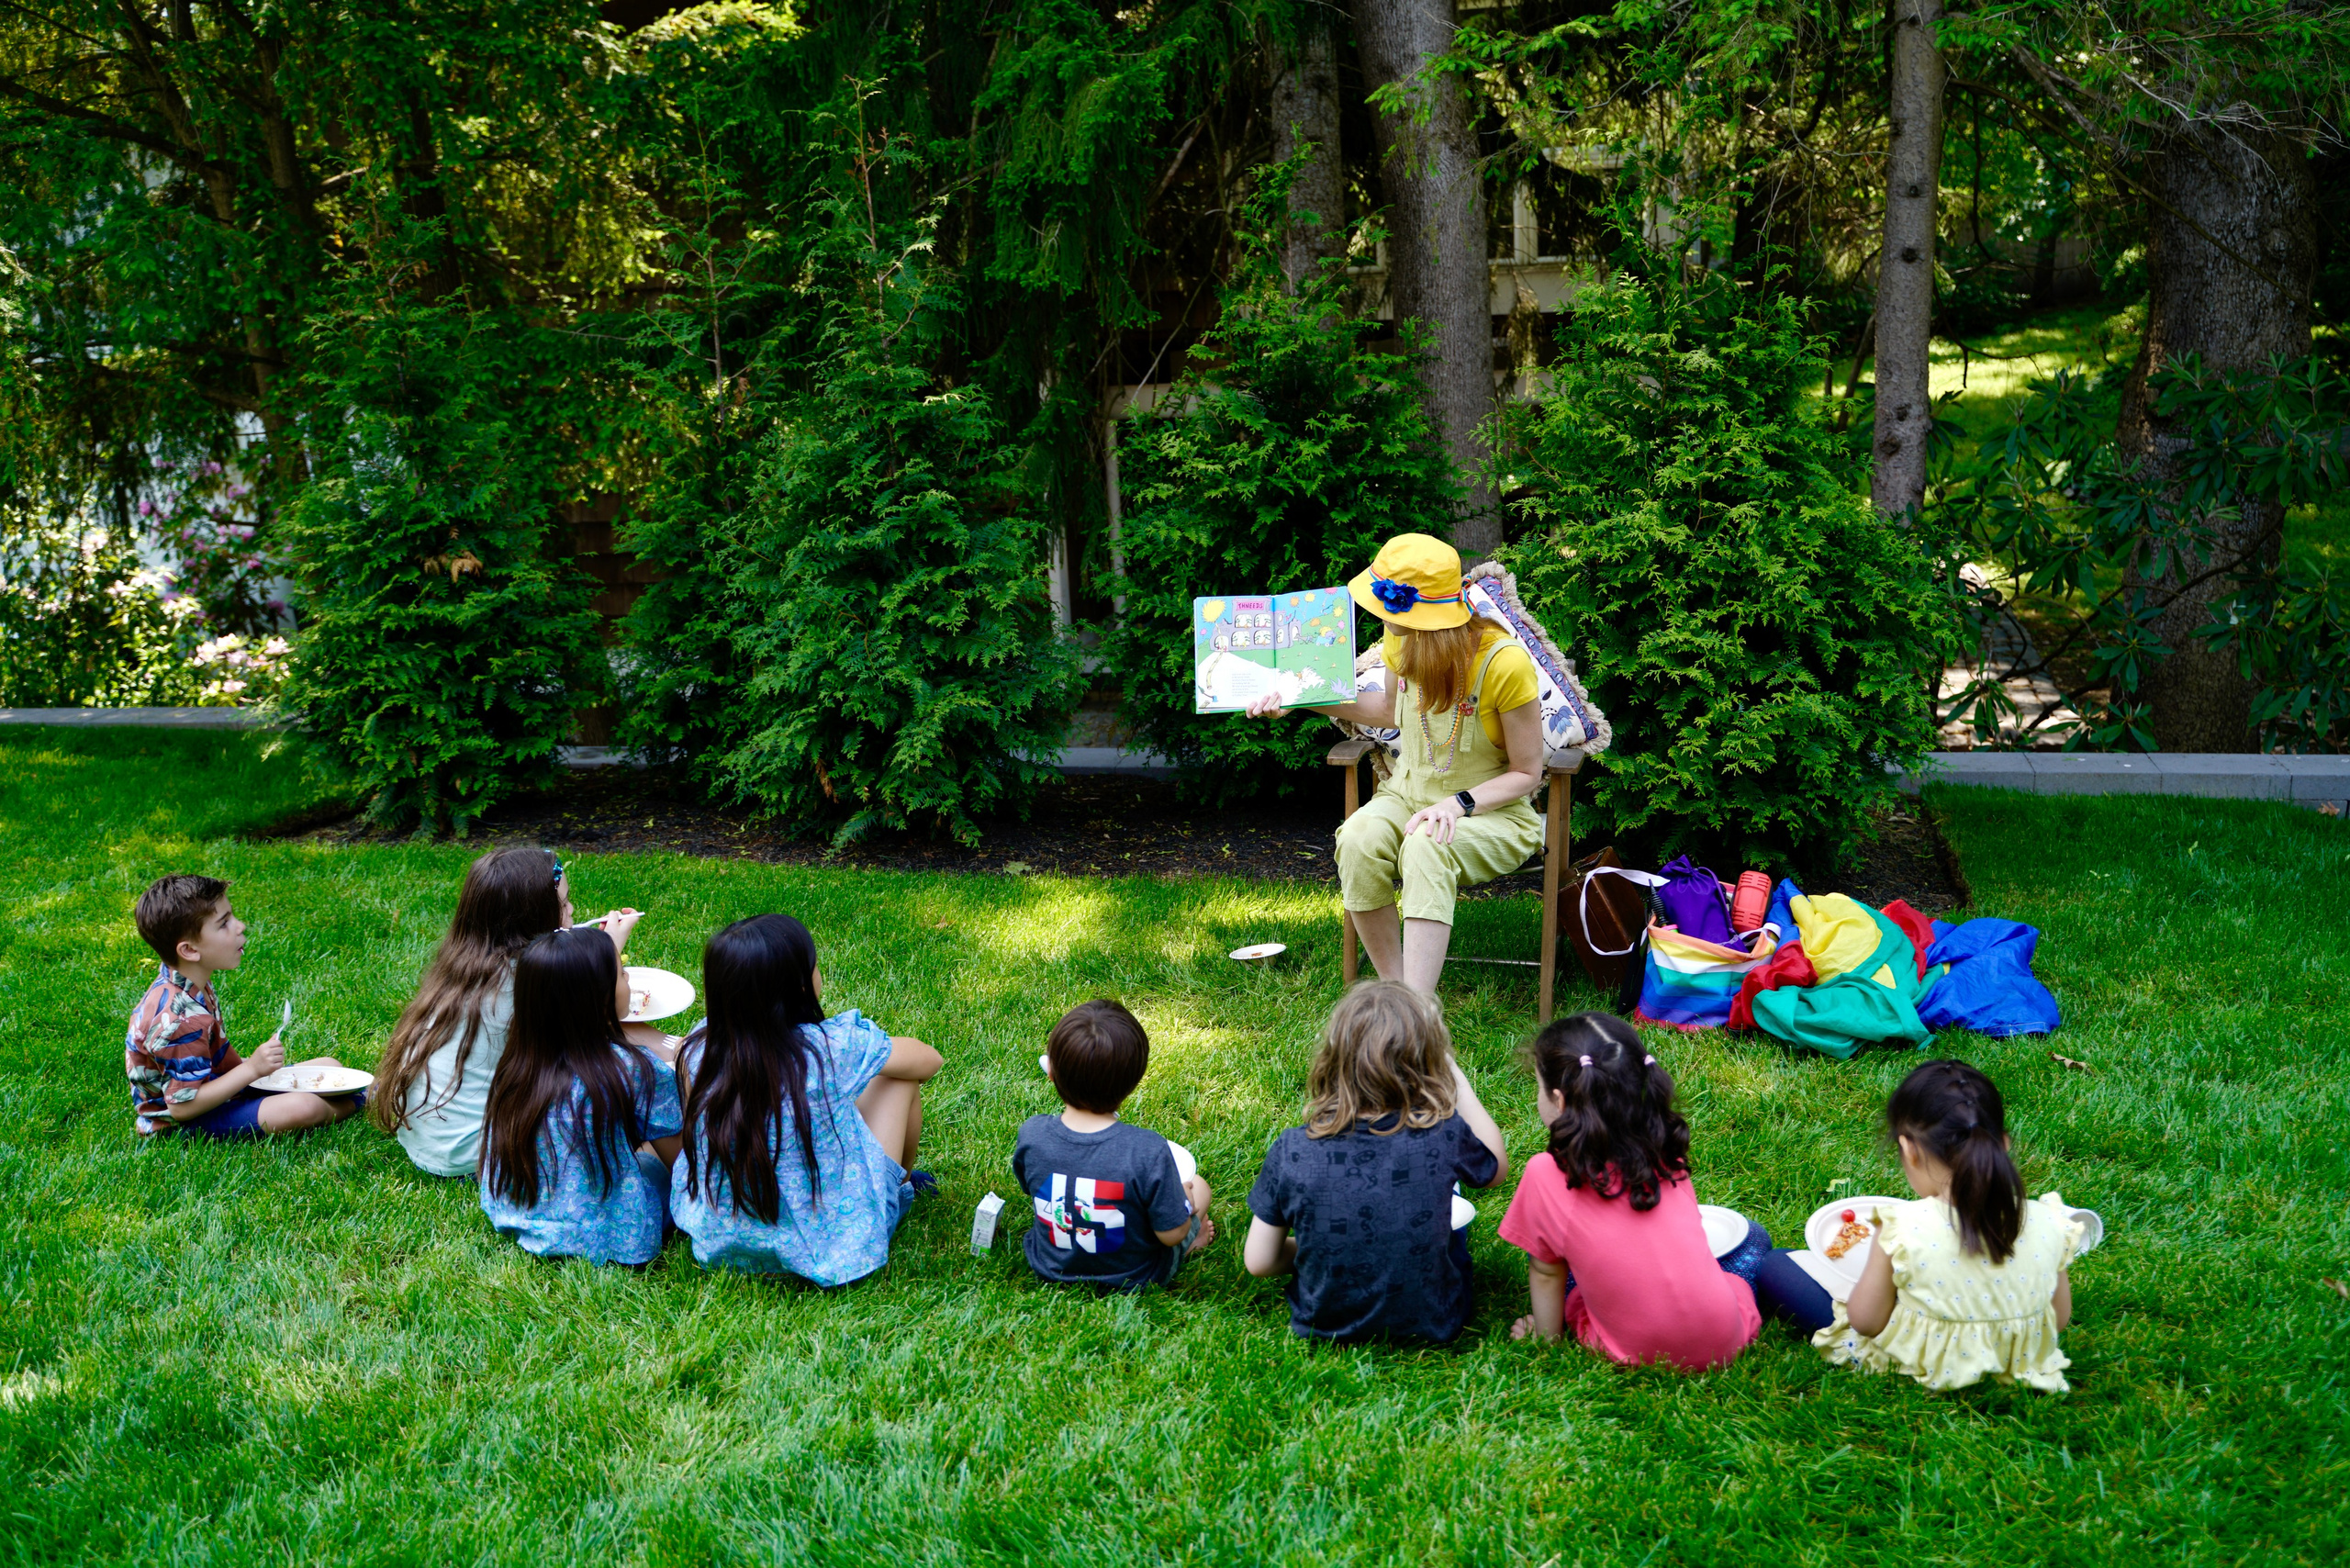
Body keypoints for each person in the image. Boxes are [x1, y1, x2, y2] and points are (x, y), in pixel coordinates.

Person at [1243, 532, 1545, 991]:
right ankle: (1398, 993)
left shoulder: (1504, 664)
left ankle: (1419, 1013)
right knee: (1359, 839)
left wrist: (1457, 804)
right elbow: (1387, 711)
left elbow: (1528, 773)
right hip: (1406, 796)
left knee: (1428, 842)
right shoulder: (1400, 637)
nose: (1379, 613)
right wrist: (1302, 699)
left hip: (1490, 813)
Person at [670, 915, 942, 1285]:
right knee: (898, 1081)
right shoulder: (832, 1048)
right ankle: (900, 1186)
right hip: (829, 1247)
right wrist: (869, 1057)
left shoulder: (698, 1047)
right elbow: (928, 1061)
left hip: (723, 1244)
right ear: (800, 985)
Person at [1497, 1013, 1771, 1371]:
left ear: (1560, 1102)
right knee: (1754, 1238)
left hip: (1634, 1350)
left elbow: (1547, 1272)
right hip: (1725, 1340)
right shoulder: (1663, 1143)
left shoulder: (1546, 1171)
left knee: (1556, 1264)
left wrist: (1546, 1340)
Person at [1244, 981, 1506, 1344]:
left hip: (1323, 1324)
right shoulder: (1443, 1135)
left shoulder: (1292, 1149)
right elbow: (1495, 1168)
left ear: (1333, 1060)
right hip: (1435, 1320)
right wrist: (1457, 1080)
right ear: (1428, 1065)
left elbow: (1259, 1261)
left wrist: (1321, 1246)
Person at [374, 846, 644, 1178]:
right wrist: (608, 953)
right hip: (480, 1152)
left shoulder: (468, 964)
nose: (572, 910)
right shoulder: (525, 981)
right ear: (534, 917)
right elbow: (606, 1018)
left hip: (432, 1140)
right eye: (563, 905)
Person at [1811, 1059, 2081, 1392]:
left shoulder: (1902, 1226)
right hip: (2016, 1362)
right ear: (2004, 1145)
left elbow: (1866, 1322)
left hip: (1919, 1365)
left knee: (1780, 1266)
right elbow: (2060, 1317)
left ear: (1908, 1150)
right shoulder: (2051, 1220)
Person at [478, 926, 681, 1265]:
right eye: (621, 973)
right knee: (654, 1165)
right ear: (599, 997)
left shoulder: (516, 1065)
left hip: (523, 1216)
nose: (628, 976)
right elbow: (678, 1158)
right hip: (611, 1235)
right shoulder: (633, 1068)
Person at [125, 873, 362, 1140]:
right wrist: (252, 1070)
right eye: (224, 924)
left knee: (330, 1066)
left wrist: (250, 1070)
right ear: (190, 950)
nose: (240, 926)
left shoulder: (191, 982)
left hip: (216, 1088)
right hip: (187, 1121)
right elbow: (182, 1108)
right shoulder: (179, 1019)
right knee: (304, 1106)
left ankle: (352, 1094)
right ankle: (363, 1101)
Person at [1012, 1000, 1214, 1292]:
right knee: (1199, 1187)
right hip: (1135, 1276)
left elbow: (1030, 1186)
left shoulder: (1032, 1134)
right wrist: (1184, 1198)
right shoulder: (1149, 1150)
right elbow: (1171, 1234)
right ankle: (1193, 1244)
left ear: (1051, 1073)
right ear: (1134, 1082)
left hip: (1050, 1266)